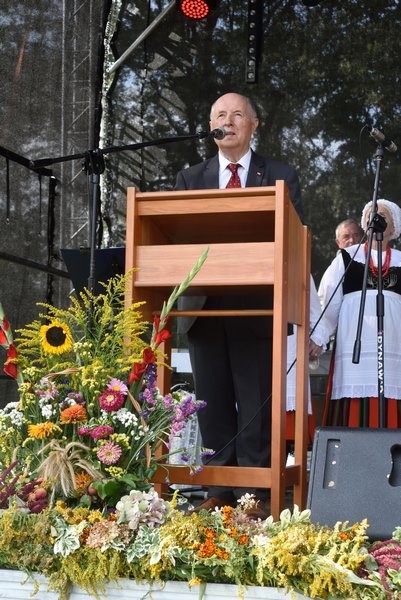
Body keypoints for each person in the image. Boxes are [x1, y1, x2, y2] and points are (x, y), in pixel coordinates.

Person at [175, 92, 303, 517]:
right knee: (211, 401)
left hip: (257, 305)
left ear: (253, 124)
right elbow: (176, 237)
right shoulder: (189, 178)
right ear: (211, 127)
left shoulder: (280, 175)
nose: (226, 121)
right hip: (204, 304)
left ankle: (254, 493)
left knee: (255, 403)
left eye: (236, 114)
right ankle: (218, 488)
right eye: (219, 115)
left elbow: (293, 238)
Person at [319, 199, 401, 427]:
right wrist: (318, 338)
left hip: (394, 346)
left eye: (383, 215)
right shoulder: (346, 257)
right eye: (371, 214)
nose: (375, 218)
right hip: (354, 346)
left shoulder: (400, 260)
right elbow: (329, 303)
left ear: (393, 227)